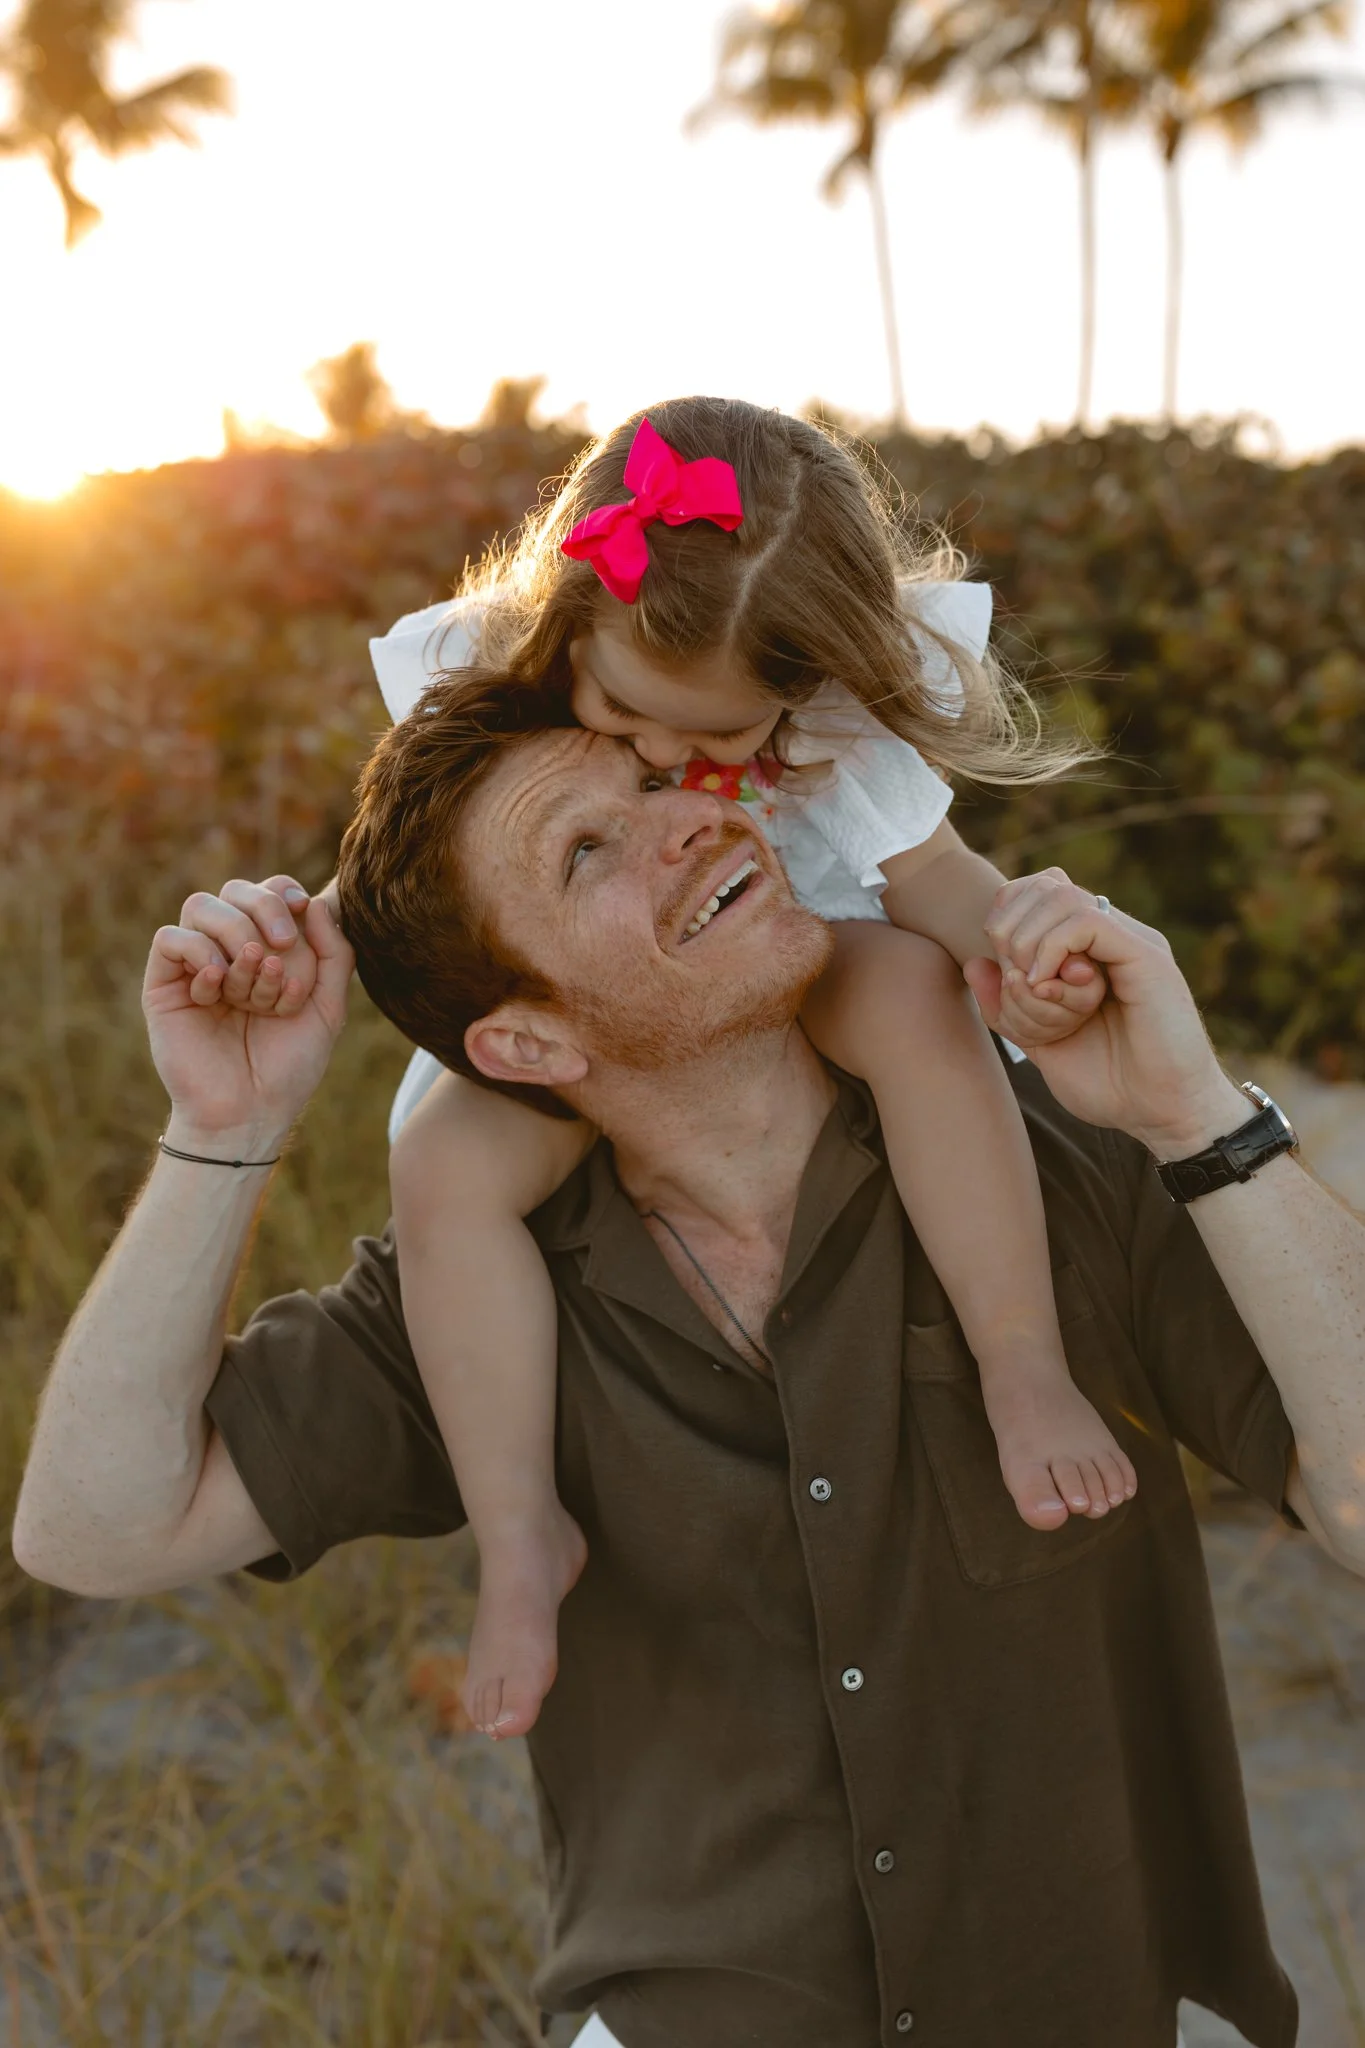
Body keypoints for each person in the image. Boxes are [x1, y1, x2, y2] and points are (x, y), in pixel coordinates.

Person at [15, 699, 1365, 2048]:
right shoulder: (477, 1302)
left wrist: (1199, 1118)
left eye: (660, 781)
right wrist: (225, 1126)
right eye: (588, 853)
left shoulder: (1059, 1168)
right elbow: (95, 1527)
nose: (694, 821)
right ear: (528, 1045)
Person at [243, 396, 1134, 1741]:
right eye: (622, 713)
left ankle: (1020, 1363)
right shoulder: (495, 666)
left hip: (792, 943)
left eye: (720, 744)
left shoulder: (835, 717)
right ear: (571, 618)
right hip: (604, 997)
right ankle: (520, 1530)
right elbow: (413, 863)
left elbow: (937, 884)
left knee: (914, 1000)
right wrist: (294, 943)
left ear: (802, 686)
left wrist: (1024, 950)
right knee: (442, 1164)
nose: (666, 758)